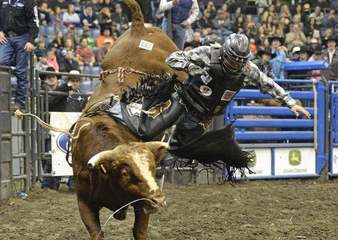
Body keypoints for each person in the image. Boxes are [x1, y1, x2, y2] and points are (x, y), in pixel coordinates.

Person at [117, 33, 311, 171]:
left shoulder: (247, 69)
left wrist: (290, 102)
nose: (237, 65)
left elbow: (267, 83)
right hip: (183, 102)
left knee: (174, 154)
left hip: (201, 117)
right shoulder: (209, 54)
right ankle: (118, 109)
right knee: (146, 130)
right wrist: (192, 67)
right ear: (225, 54)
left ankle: (148, 171)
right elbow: (174, 59)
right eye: (233, 60)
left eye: (240, 61)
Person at [0, 0, 40, 111]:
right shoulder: (4, 1)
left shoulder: (29, 2)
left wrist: (31, 40)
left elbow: (35, 23)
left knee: (21, 70)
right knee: (1, 63)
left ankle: (20, 103)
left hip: (23, 37)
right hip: (6, 37)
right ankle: (1, 98)